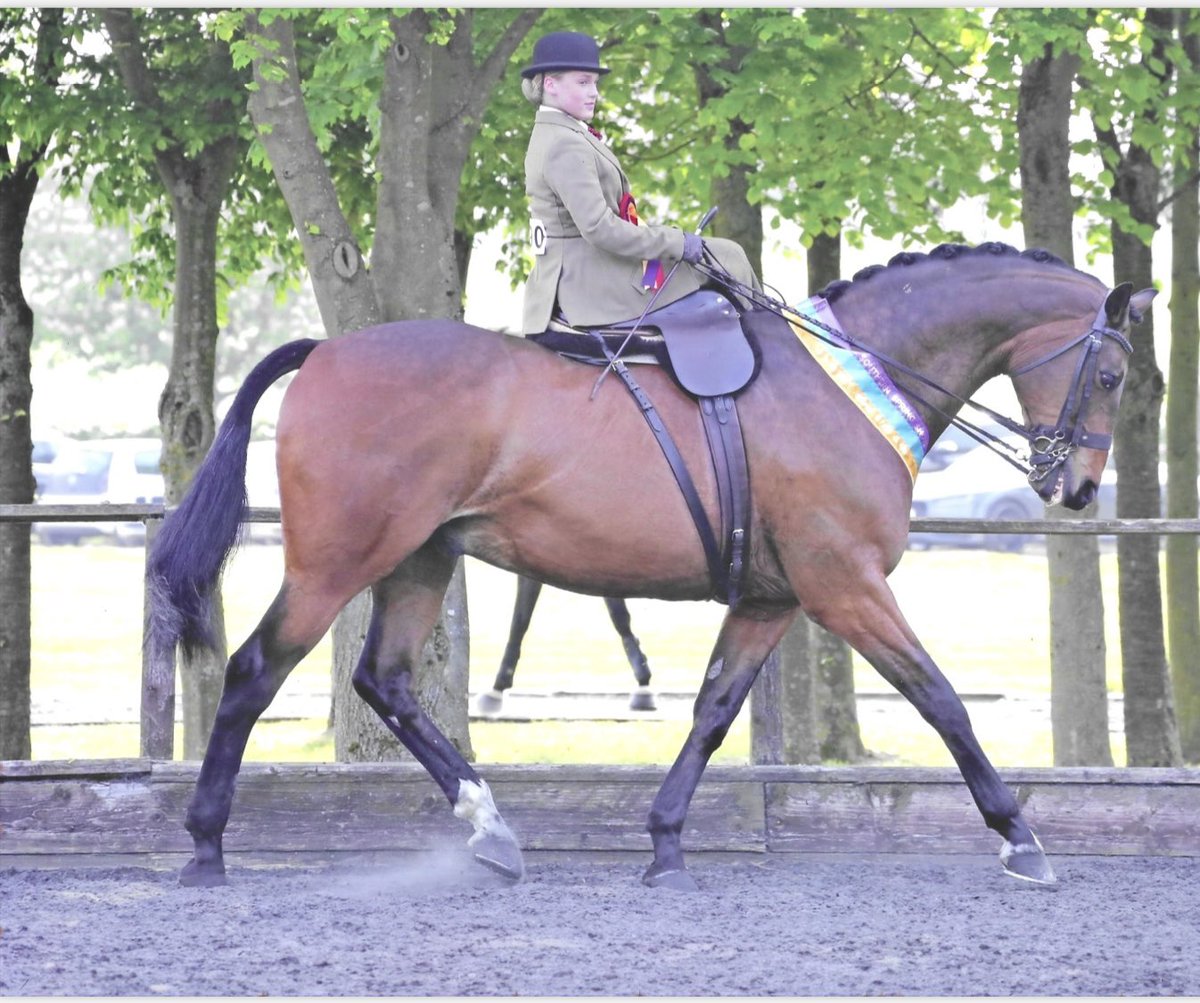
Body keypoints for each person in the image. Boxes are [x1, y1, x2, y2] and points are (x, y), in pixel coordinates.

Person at [518, 31, 761, 335]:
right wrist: (676, 242)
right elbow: (600, 229)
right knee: (727, 256)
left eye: (595, 82)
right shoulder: (564, 144)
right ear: (550, 84)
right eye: (583, 82)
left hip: (576, 273)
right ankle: (769, 354)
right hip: (590, 283)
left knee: (722, 254)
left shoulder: (558, 133)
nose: (594, 92)